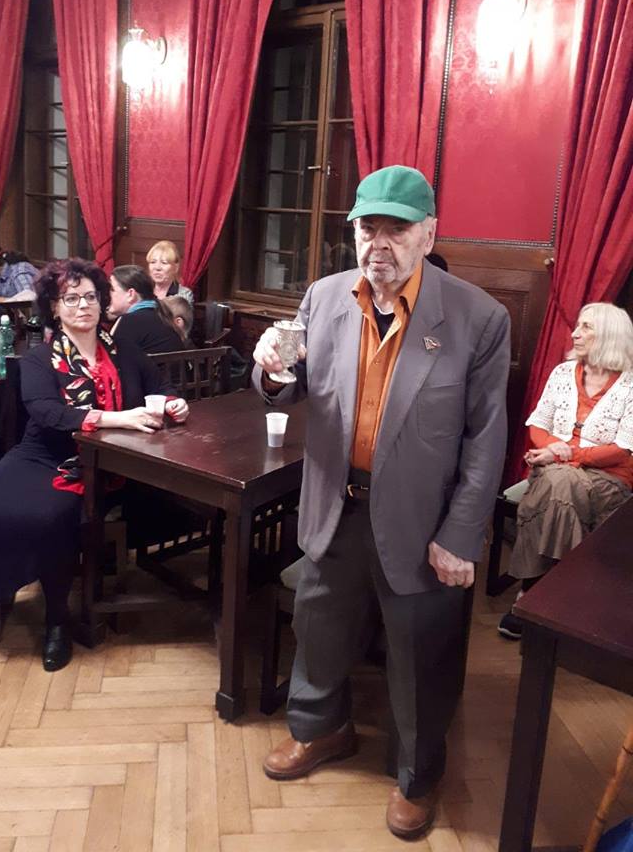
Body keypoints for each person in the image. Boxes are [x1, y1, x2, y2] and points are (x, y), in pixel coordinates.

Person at [252, 165, 510, 839]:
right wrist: (272, 372)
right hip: (334, 506)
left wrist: (461, 534)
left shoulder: (478, 318)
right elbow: (291, 383)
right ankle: (320, 728)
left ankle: (417, 775)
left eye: (397, 229)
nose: (380, 244)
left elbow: (486, 440)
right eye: (369, 228)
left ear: (429, 234)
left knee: (420, 654)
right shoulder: (325, 296)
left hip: (424, 523)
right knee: (319, 629)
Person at [0, 258, 190, 674]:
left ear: (102, 303)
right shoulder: (40, 358)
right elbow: (48, 413)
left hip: (98, 463)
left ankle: (56, 620)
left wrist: (175, 402)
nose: (83, 306)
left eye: (90, 297)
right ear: (54, 306)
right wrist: (117, 418)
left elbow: (161, 386)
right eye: (71, 298)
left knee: (49, 519)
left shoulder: (125, 352)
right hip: (41, 454)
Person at [498, 302, 633, 640]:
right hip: (555, 469)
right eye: (577, 325)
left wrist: (564, 453)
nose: (575, 333)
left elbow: (622, 449)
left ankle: (531, 590)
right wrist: (555, 451)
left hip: (608, 479)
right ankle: (561, 595)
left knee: (557, 484)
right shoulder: (562, 373)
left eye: (586, 327)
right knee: (561, 484)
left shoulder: (631, 385)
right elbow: (537, 424)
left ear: (610, 335)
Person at [108, 264, 183, 354]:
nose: (107, 294)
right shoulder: (162, 315)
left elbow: (111, 359)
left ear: (130, 294)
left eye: (112, 289)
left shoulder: (130, 321)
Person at [145, 240, 194, 304]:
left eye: (164, 263)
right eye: (153, 262)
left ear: (176, 267)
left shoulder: (183, 294)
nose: (157, 268)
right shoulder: (142, 290)